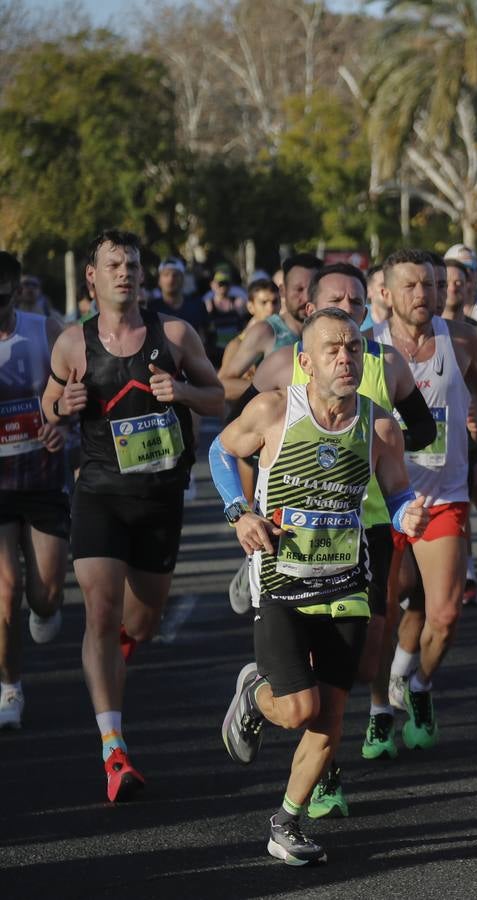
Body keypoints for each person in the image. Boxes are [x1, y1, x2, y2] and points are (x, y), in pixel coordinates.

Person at [215, 307, 429, 865]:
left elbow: (399, 491)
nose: (345, 358)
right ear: (305, 362)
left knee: (332, 716)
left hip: (345, 581)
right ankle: (254, 693)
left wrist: (408, 515)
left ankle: (286, 823)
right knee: (297, 710)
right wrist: (241, 512)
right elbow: (222, 450)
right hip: (282, 580)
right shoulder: (273, 411)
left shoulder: (379, 426)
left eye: (354, 349)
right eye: (332, 350)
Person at [42, 229, 224, 800]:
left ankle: (114, 654)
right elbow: (50, 404)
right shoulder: (73, 344)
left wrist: (183, 393)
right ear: (92, 276)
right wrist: (62, 407)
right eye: (113, 264)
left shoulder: (174, 333)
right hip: (98, 491)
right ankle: (113, 749)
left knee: (139, 623)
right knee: (98, 610)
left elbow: (218, 396)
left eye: (133, 264)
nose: (126, 272)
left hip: (159, 498)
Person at [373, 249, 477, 750]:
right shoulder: (366, 348)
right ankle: (379, 709)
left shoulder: (462, 339)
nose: (423, 294)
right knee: (384, 614)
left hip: (444, 496)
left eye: (430, 284)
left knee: (444, 617)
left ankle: (418, 685)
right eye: (410, 285)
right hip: (382, 502)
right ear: (385, 294)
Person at [0, 251, 69, 730]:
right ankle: (10, 688)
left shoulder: (46, 329)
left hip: (42, 477)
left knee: (44, 597)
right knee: (6, 591)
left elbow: (78, 393)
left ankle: (44, 607)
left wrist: (64, 425)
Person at [217, 254, 320, 400]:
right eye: (298, 289)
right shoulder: (266, 331)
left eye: (312, 289)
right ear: (283, 291)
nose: (306, 297)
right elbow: (222, 385)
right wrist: (272, 385)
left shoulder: (329, 332)